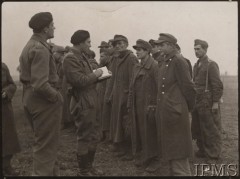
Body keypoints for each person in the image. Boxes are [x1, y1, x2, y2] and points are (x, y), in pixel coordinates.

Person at [19, 12, 63, 176]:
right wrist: (56, 96)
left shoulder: (32, 45)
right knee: (45, 148)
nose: (54, 28)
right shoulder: (40, 49)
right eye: (52, 25)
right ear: (45, 29)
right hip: (43, 102)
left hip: (31, 99)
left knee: (46, 146)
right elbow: (40, 84)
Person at [62, 30, 104, 176]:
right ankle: (84, 170)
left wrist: (101, 75)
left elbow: (86, 78)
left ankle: (89, 167)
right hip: (83, 100)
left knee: (94, 133)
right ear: (80, 43)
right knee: (84, 135)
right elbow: (79, 81)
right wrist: (96, 74)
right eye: (88, 42)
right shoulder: (70, 58)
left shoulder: (82, 56)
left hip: (92, 97)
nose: (90, 45)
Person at [154, 33, 196, 176]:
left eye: (162, 45)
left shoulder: (178, 61)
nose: (159, 48)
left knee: (178, 150)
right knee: (171, 148)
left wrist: (186, 107)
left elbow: (188, 87)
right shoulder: (166, 60)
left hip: (176, 112)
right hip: (168, 112)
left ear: (171, 45)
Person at [128, 39, 160, 173]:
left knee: (151, 133)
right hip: (137, 105)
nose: (137, 52)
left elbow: (159, 87)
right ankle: (145, 157)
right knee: (141, 132)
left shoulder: (154, 66)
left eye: (139, 50)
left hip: (149, 106)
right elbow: (132, 87)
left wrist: (155, 105)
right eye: (136, 50)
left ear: (147, 51)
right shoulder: (137, 66)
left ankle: (155, 160)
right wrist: (130, 104)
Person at [105, 34, 138, 161]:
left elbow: (133, 79)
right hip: (117, 95)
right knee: (117, 122)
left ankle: (129, 149)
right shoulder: (117, 58)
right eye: (116, 44)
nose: (118, 46)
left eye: (120, 43)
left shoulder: (131, 58)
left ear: (126, 44)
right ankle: (120, 145)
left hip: (125, 95)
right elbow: (112, 78)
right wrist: (111, 94)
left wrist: (128, 95)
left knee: (126, 123)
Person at [191, 39, 223, 162]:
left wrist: (215, 103)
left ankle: (213, 155)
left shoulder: (211, 64)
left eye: (198, 49)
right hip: (197, 101)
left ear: (205, 49)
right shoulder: (196, 64)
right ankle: (203, 150)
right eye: (195, 49)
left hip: (208, 102)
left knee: (210, 129)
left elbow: (217, 85)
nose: (196, 51)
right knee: (198, 127)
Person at [2, 62, 21, 176]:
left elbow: (12, 84)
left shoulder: (3, 66)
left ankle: (6, 166)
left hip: (4, 109)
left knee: (8, 139)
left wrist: (6, 91)